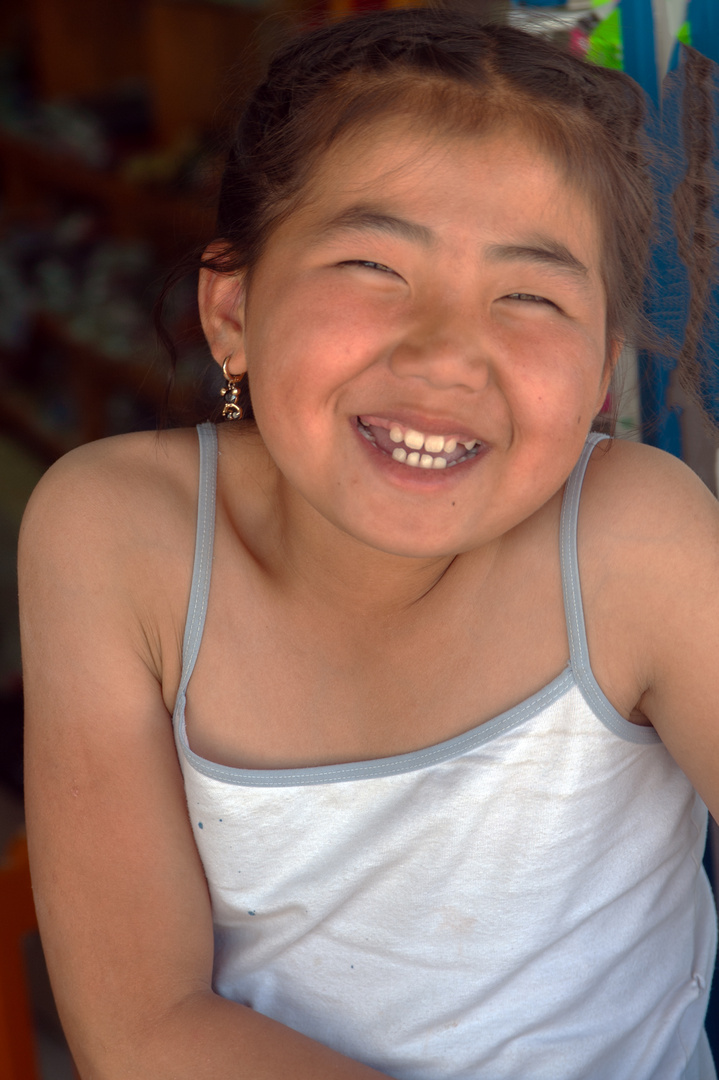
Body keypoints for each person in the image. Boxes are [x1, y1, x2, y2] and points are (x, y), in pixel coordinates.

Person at [18, 9, 719, 1079]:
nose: (446, 352)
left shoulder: (635, 543)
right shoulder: (116, 536)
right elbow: (145, 1029)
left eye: (528, 296)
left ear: (597, 372)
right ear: (233, 312)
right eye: (373, 267)